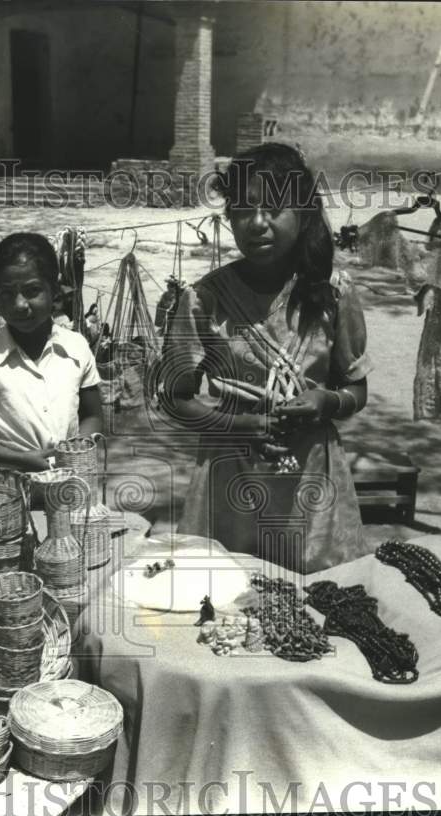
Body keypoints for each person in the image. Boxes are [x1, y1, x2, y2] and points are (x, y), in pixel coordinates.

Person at [159, 143, 372, 573]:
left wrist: (325, 402)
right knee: (223, 600)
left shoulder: (332, 293)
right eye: (243, 210)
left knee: (317, 604)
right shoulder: (204, 299)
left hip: (312, 476)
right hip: (230, 474)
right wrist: (238, 425)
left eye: (274, 208)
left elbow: (355, 387)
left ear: (303, 213)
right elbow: (175, 398)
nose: (257, 223)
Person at [0, 233, 103, 473]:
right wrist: (18, 459)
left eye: (32, 291)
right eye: (7, 294)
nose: (20, 304)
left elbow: (93, 416)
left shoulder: (77, 347)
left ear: (54, 291)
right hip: (11, 491)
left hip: (71, 482)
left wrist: (75, 449)